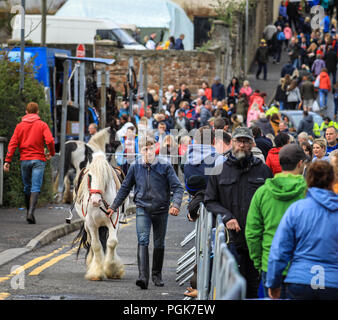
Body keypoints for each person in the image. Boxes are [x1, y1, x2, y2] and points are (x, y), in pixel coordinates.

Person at [107, 136, 184, 290]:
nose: (147, 152)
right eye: (144, 149)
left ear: (154, 149)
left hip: (161, 209)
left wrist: (175, 204)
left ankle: (157, 275)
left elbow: (178, 187)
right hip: (142, 208)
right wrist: (114, 206)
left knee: (159, 243)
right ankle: (143, 277)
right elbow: (125, 188)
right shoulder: (135, 167)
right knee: (143, 240)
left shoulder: (165, 166)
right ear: (140, 151)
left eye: (150, 149)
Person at [204, 127, 273, 298]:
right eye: (239, 141)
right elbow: (209, 200)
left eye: (246, 141)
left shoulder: (263, 170)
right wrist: (227, 216)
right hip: (230, 240)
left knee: (253, 288)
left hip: (256, 240)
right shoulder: (219, 170)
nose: (242, 145)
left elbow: (270, 201)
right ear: (232, 143)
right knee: (232, 288)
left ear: (252, 144)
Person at [266, 161, 338, 300]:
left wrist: (273, 283)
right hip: (333, 282)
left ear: (308, 180)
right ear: (332, 180)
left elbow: (280, 250)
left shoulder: (297, 209)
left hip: (300, 279)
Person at [246, 144, 307, 298]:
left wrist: (259, 263)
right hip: (302, 268)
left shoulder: (262, 192)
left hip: (270, 263)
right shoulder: (309, 192)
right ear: (300, 163)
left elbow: (252, 232)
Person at [4, 102, 55, 224]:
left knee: (27, 187)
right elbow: (49, 140)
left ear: (26, 112)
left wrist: (7, 160)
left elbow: (12, 143)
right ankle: (31, 212)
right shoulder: (42, 125)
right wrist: (51, 153)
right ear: (37, 112)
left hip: (25, 160)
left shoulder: (19, 126)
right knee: (35, 187)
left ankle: (28, 212)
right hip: (38, 159)